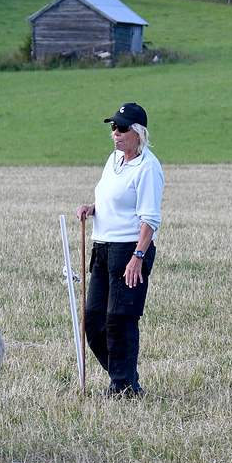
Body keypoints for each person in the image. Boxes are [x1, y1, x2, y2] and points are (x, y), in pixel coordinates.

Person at [76, 102, 164, 398]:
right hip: (102, 247)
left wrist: (138, 256)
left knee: (120, 320)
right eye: (113, 127)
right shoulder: (114, 160)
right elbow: (111, 198)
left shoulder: (148, 167)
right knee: (94, 319)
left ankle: (123, 386)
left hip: (129, 249)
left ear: (138, 133)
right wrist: (92, 208)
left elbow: (150, 218)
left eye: (122, 128)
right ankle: (123, 378)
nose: (116, 132)